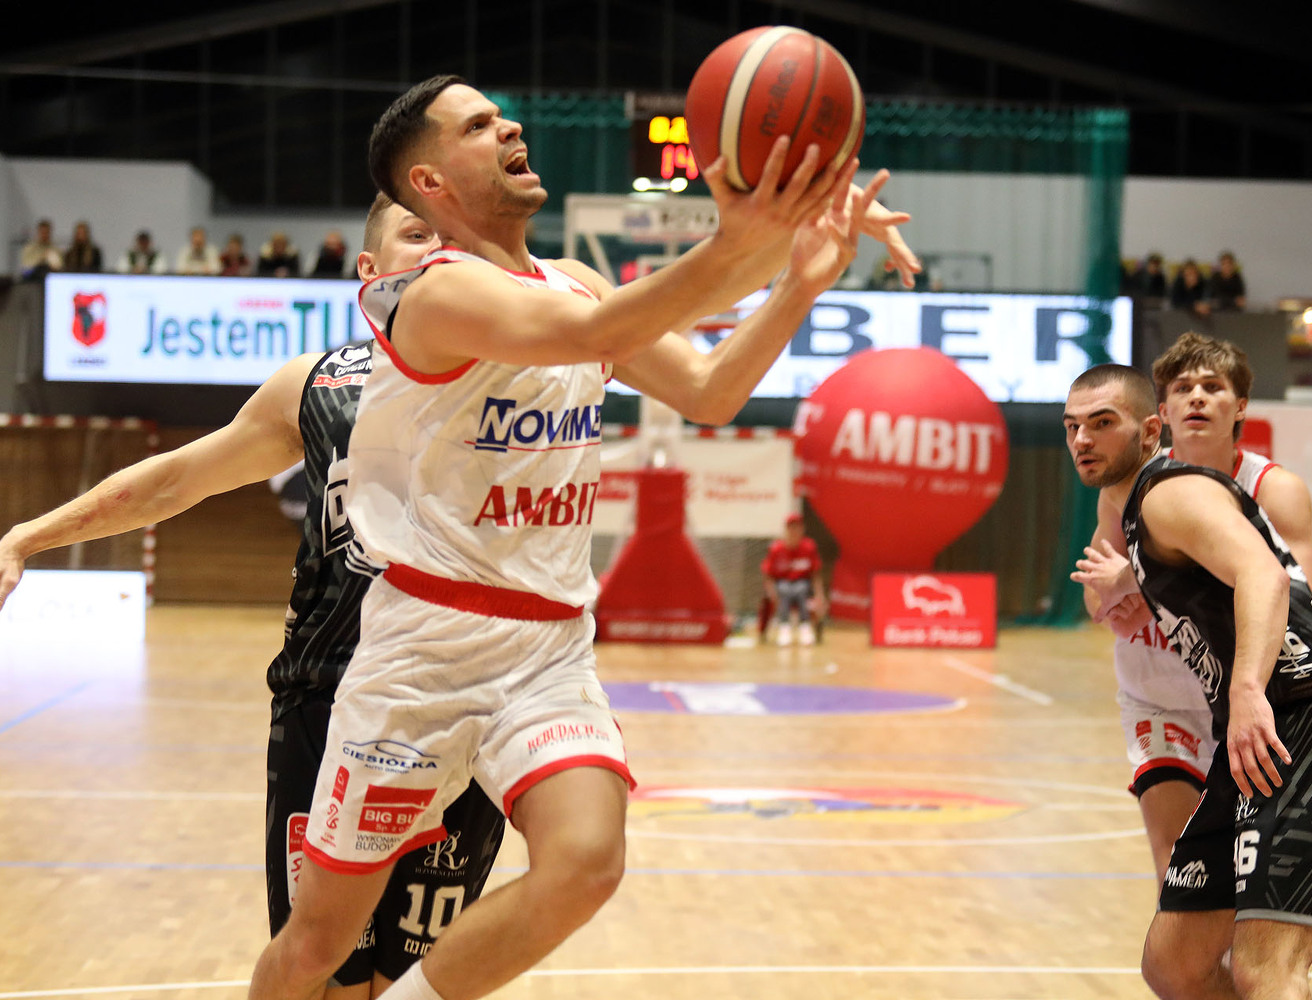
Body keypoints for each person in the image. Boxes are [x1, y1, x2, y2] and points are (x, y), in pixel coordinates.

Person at [245, 74, 901, 1000]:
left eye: (502, 114)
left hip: (547, 648)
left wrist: (798, 278)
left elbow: (709, 391)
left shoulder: (574, 280)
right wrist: (743, 237)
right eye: (480, 124)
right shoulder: (431, 295)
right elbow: (598, 328)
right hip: (422, 656)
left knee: (588, 862)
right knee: (318, 946)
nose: (510, 124)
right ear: (430, 182)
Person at [0, 193, 508, 1000]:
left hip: (467, 702)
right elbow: (174, 480)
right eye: (417, 234)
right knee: (323, 973)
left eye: (454, 238)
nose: (439, 250)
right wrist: (27, 535)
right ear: (370, 271)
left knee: (415, 982)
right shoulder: (318, 384)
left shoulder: (526, 382)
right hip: (329, 699)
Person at [1064, 363, 1312, 1000]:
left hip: (1308, 714)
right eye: (1072, 427)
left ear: (1149, 431)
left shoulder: (1167, 493)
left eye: (1102, 423)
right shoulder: (1130, 511)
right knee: (1174, 965)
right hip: (1253, 735)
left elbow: (1264, 574)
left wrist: (1245, 690)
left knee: (1265, 968)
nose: (1083, 440)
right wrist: (1127, 583)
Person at [1081, 332, 1312, 885]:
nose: (1196, 397)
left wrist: (1144, 582)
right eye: (1182, 388)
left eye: (1213, 387)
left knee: (1248, 880)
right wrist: (1112, 597)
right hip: (1159, 698)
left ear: (1239, 407)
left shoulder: (1275, 490)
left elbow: (1304, 602)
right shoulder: (1125, 488)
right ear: (1162, 413)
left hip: (1246, 697)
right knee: (1180, 870)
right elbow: (1095, 597)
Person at [761, 512, 825, 646]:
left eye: (797, 527)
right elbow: (768, 575)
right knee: (785, 589)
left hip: (803, 585)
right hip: (782, 584)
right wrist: (772, 594)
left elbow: (816, 574)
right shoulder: (776, 549)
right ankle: (784, 627)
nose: (794, 531)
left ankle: (805, 627)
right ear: (786, 529)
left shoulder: (809, 547)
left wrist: (820, 596)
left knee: (800, 589)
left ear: (802, 529)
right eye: (791, 527)